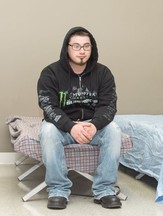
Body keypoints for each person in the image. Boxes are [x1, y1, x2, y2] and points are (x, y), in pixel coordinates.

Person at [37, 26, 122, 210]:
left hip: (93, 127)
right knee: (48, 130)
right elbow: (48, 106)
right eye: (76, 46)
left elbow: (109, 105)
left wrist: (95, 125)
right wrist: (70, 126)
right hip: (62, 128)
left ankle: (105, 189)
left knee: (114, 130)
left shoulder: (104, 73)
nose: (81, 51)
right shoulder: (49, 73)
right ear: (66, 48)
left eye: (86, 46)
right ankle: (58, 190)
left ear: (92, 49)